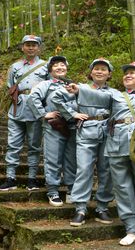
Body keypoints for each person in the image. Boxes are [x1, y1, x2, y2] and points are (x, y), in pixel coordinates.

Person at [66, 62, 135, 247]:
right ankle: (130, 229)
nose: (128, 75)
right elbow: (95, 96)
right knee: (122, 187)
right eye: (126, 73)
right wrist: (79, 90)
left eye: (133, 73)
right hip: (117, 145)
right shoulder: (114, 95)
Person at [53, 58, 115, 227]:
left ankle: (102, 207)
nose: (100, 71)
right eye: (96, 69)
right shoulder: (81, 87)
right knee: (84, 169)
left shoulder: (115, 93)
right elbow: (56, 97)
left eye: (104, 69)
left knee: (106, 170)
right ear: (91, 72)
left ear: (109, 74)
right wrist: (71, 114)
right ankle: (80, 208)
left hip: (107, 132)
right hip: (87, 130)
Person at [0, 35, 48, 192]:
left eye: (34, 45)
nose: (31, 47)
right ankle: (10, 178)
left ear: (39, 48)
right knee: (13, 144)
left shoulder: (45, 66)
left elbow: (51, 87)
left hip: (36, 109)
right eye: (28, 45)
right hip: (17, 108)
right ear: (22, 47)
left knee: (34, 146)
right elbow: (10, 86)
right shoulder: (15, 67)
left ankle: (32, 179)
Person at [27, 56, 77, 207]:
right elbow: (32, 98)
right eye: (56, 65)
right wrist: (43, 114)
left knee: (72, 159)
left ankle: (71, 190)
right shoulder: (45, 84)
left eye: (63, 65)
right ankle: (53, 191)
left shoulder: (73, 85)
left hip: (72, 126)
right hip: (54, 126)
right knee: (53, 158)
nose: (60, 67)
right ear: (50, 70)